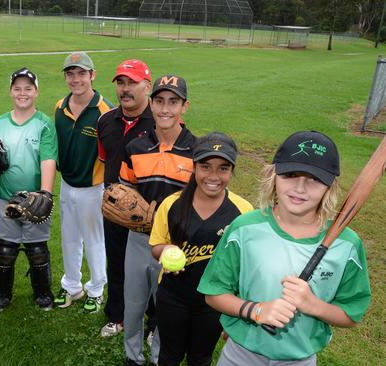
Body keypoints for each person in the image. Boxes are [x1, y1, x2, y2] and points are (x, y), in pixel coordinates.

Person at [198, 131, 372, 365]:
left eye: (314, 179)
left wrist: (313, 305)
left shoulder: (347, 245)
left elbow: (351, 315)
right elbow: (213, 293)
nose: (300, 188)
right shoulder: (244, 228)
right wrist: (256, 310)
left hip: (299, 358)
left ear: (330, 186)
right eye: (290, 174)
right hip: (241, 353)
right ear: (274, 175)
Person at [149, 132, 253, 366]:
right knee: (169, 355)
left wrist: (236, 310)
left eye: (223, 168)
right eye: (205, 166)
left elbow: (246, 265)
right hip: (173, 295)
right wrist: (165, 251)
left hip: (215, 302)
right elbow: (156, 245)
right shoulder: (172, 204)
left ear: (232, 171)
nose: (213, 176)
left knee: (200, 357)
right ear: (194, 167)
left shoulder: (243, 212)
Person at [119, 73, 197, 366]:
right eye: (160, 101)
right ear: (151, 104)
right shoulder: (136, 147)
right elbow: (123, 193)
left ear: (185, 107)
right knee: (134, 305)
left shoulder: (196, 150)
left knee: (168, 306)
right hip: (139, 238)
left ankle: (159, 357)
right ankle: (132, 356)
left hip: (176, 242)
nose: (166, 109)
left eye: (173, 102)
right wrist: (130, 207)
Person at [0, 67, 58, 311]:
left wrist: (45, 194)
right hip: (3, 195)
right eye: (17, 88)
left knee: (37, 249)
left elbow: (48, 158)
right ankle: (2, 294)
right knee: (5, 249)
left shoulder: (44, 124)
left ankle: (42, 292)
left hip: (33, 198)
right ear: (10, 92)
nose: (22, 93)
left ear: (36, 92)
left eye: (28, 88)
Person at [96, 59, 156, 337]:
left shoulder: (160, 121)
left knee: (154, 269)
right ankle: (116, 316)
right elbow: (106, 160)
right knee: (116, 262)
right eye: (121, 82)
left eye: (132, 82)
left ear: (147, 85)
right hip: (115, 210)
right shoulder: (106, 121)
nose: (125, 89)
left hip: (151, 211)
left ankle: (154, 321)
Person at [53, 52, 114, 312]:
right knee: (69, 237)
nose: (76, 79)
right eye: (70, 74)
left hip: (93, 187)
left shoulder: (105, 111)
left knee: (93, 239)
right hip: (67, 184)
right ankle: (72, 285)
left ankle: (97, 288)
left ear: (92, 75)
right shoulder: (60, 107)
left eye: (81, 73)